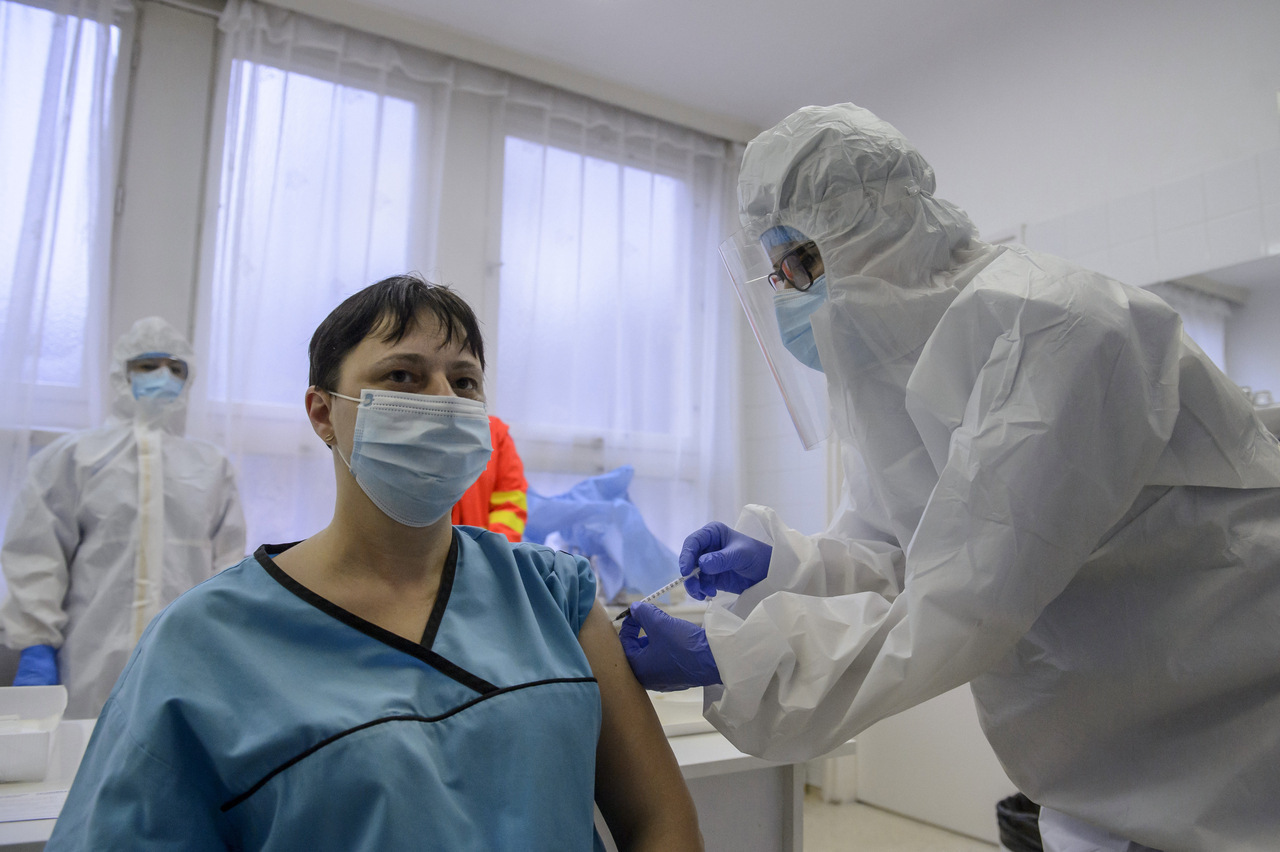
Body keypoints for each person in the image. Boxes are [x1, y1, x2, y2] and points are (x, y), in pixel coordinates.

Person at [620, 104, 1280, 852]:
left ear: (881, 227)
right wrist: (786, 563)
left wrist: (732, 661)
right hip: (1112, 762)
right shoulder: (892, 381)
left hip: (1233, 736)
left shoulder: (1056, 328)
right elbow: (907, 556)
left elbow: (961, 601)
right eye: (778, 275)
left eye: (801, 261)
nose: (790, 296)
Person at [49, 275, 702, 851]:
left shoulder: (552, 594)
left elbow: (660, 822)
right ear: (323, 413)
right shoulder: (201, 647)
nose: (443, 400)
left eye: (464, 381)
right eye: (403, 376)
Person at [1, 316, 246, 719]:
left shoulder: (211, 467)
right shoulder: (74, 458)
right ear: (122, 373)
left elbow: (228, 567)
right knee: (83, 749)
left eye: (176, 368)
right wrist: (36, 644)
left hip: (186, 660)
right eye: (148, 365)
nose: (163, 375)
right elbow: (37, 556)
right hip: (90, 661)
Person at [451, 414, 528, 541]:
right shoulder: (419, 434)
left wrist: (492, 548)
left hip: (484, 548)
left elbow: (510, 505)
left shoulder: (494, 433)